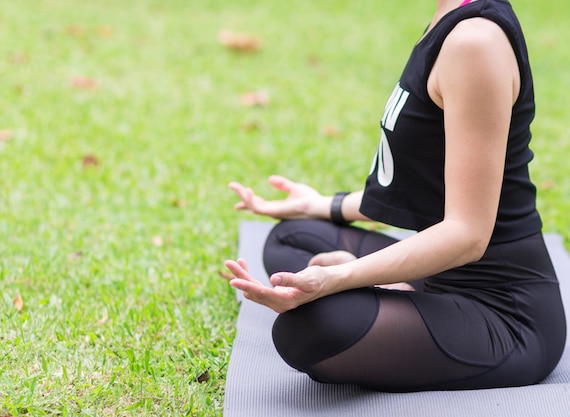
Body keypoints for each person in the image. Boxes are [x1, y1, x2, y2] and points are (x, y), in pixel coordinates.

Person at [223, 0, 567, 392]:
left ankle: (387, 290)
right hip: (436, 276)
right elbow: (417, 187)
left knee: (309, 329)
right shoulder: (449, 15)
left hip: (503, 314)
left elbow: (468, 234)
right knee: (292, 237)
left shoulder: (476, 43)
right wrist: (320, 205)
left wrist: (340, 277)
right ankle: (398, 289)